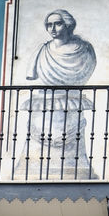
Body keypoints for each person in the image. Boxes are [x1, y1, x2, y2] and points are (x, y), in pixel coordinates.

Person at [20, 9, 98, 180]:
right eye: (49, 25)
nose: (52, 28)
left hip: (70, 101)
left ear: (68, 24)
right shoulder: (42, 51)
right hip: (46, 101)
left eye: (58, 23)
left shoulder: (85, 51)